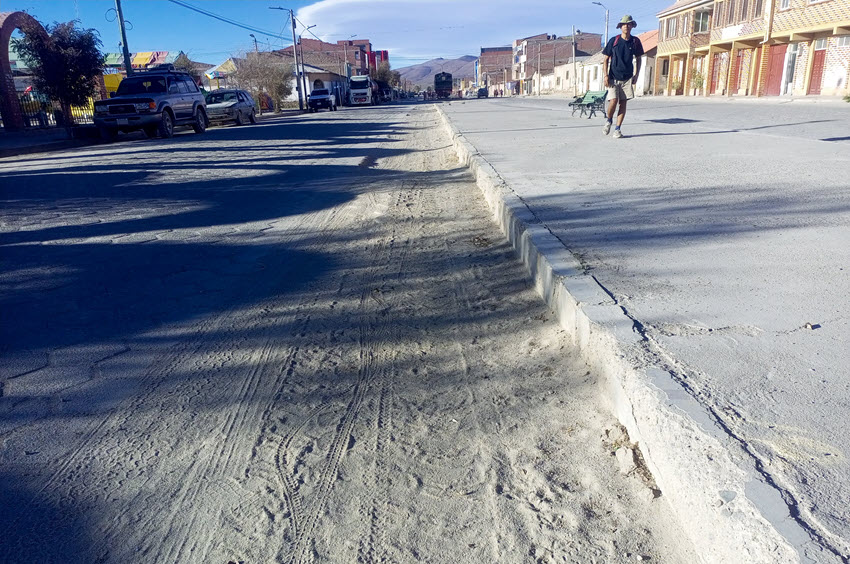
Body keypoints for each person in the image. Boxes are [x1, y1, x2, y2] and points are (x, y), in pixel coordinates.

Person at [602, 15, 644, 139]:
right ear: (620, 27)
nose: (626, 26)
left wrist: (637, 74)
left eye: (629, 24)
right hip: (613, 77)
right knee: (613, 101)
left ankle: (617, 129)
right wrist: (605, 75)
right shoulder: (614, 41)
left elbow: (639, 58)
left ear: (632, 26)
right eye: (624, 24)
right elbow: (605, 59)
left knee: (623, 104)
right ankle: (609, 120)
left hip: (627, 78)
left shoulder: (635, 41)